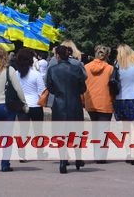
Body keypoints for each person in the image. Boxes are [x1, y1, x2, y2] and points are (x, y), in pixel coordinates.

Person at [46, 45, 87, 174]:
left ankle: (63, 161)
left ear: (57, 55)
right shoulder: (76, 68)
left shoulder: (52, 70)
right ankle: (78, 158)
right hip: (75, 103)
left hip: (59, 104)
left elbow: (50, 87)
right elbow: (83, 88)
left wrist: (58, 92)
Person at [0, 47, 27, 172]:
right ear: (5, 57)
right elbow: (18, 88)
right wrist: (24, 102)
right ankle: (5, 164)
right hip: (7, 106)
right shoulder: (9, 70)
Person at [83, 45, 113, 164]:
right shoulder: (110, 68)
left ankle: (96, 153)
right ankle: (102, 156)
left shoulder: (86, 67)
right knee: (104, 130)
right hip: (105, 102)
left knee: (95, 128)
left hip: (91, 101)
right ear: (107, 55)